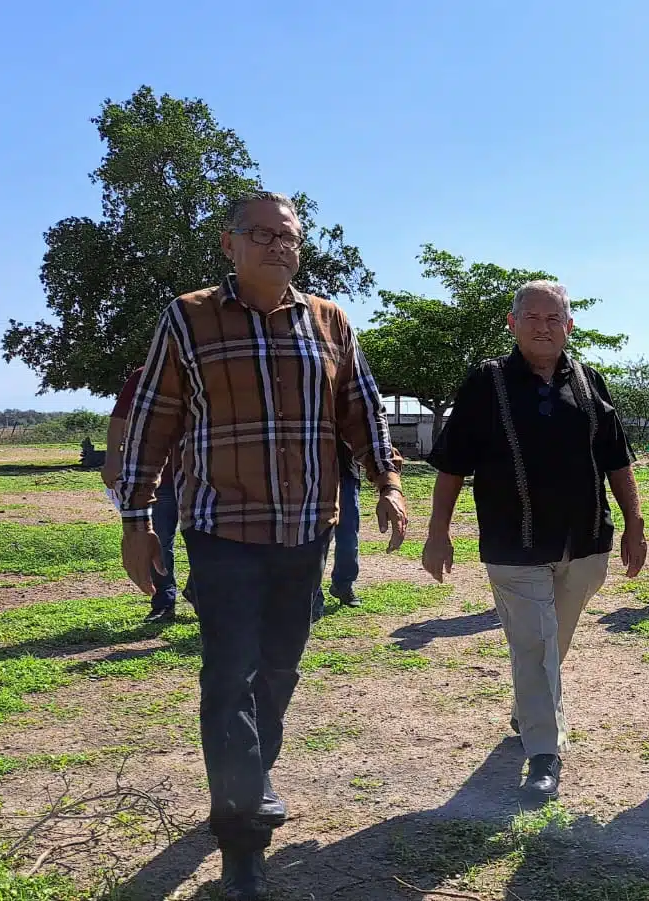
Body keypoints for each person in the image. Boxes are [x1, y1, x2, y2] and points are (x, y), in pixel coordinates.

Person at [117, 191, 407, 901]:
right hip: (222, 530)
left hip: (306, 530)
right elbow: (154, 417)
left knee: (277, 673)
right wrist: (135, 518)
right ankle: (242, 841)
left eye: (291, 237)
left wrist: (387, 478)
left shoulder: (330, 319)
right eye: (264, 234)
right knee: (227, 678)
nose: (281, 247)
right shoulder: (188, 318)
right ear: (229, 244)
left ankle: (252, 779)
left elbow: (359, 406)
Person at [422, 280, 646, 802]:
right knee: (537, 643)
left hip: (586, 542)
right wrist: (438, 533)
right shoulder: (487, 383)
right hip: (514, 543)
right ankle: (545, 752)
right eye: (533, 318)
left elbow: (617, 459)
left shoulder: (591, 382)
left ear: (569, 326)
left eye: (554, 319)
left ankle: (528, 710)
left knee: (552, 642)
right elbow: (453, 466)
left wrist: (634, 523)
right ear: (513, 323)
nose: (544, 327)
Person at [103, 366, 182, 623]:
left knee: (210, 540)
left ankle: (200, 594)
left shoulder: (211, 368)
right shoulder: (145, 375)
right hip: (157, 478)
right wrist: (113, 457)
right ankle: (163, 601)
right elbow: (119, 419)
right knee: (159, 539)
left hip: (203, 476)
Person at [312, 442, 364, 620]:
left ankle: (343, 585)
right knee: (314, 538)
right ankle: (313, 598)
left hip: (347, 474)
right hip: (313, 474)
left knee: (349, 538)